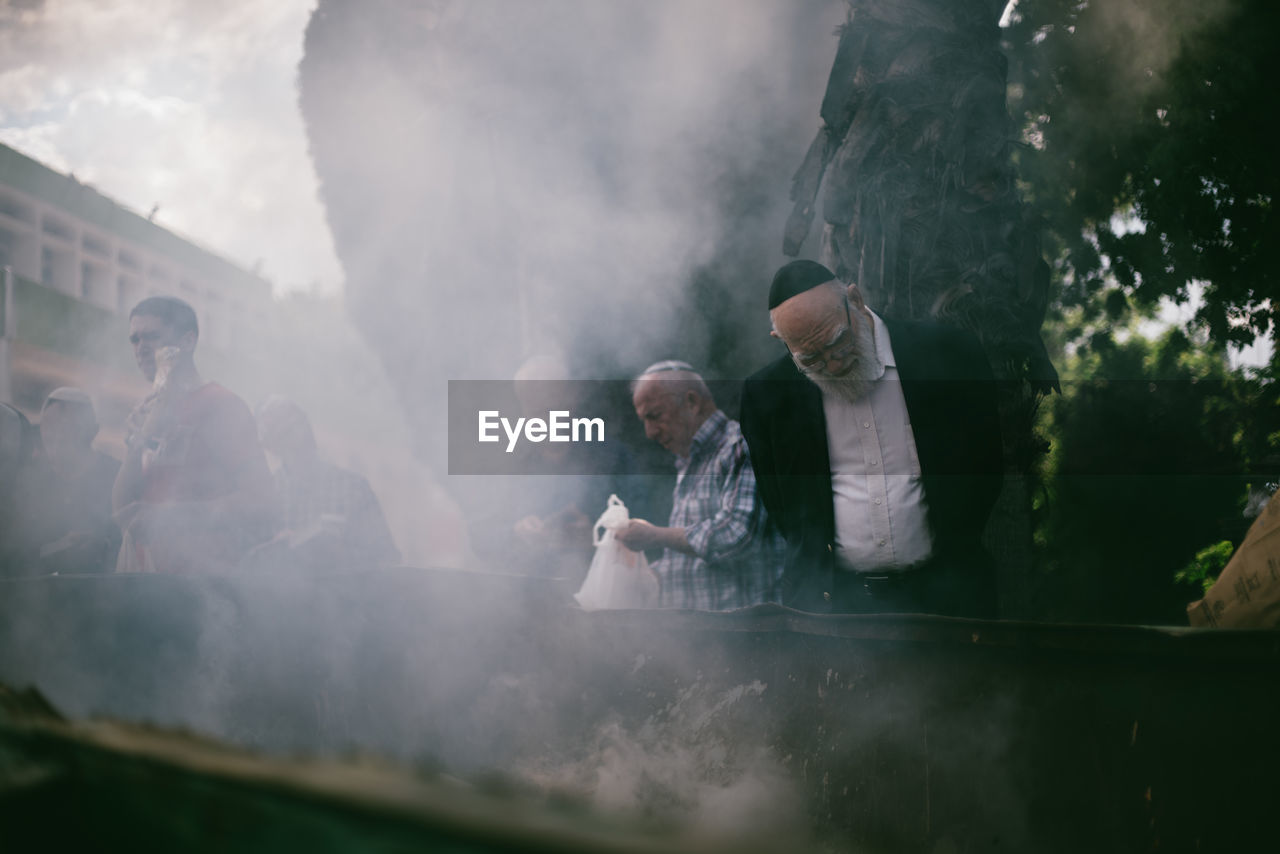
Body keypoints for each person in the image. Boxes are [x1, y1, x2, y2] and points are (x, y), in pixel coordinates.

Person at [739, 260, 1002, 617]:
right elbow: (785, 509)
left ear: (856, 300)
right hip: (832, 606)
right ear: (782, 342)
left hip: (947, 595)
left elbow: (985, 467)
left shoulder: (949, 354)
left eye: (838, 342)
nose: (832, 366)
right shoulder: (765, 396)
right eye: (810, 359)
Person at [112, 296, 276, 574]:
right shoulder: (147, 412)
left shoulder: (220, 405)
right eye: (135, 340)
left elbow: (261, 500)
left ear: (187, 342)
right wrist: (137, 443)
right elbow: (121, 512)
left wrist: (172, 516)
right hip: (149, 585)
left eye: (152, 337)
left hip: (207, 587)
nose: (140, 348)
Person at [615, 360, 784, 610]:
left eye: (655, 416)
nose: (649, 432)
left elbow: (736, 535)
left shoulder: (738, 446)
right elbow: (690, 559)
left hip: (745, 634)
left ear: (692, 403)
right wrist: (644, 575)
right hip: (701, 636)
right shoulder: (687, 461)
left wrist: (655, 535)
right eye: (644, 420)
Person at [253, 395, 400, 571]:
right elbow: (250, 567)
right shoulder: (266, 495)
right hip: (287, 596)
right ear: (271, 446)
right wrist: (278, 549)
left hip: (346, 594)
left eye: (301, 423)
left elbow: (388, 558)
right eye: (286, 431)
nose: (300, 434)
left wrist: (343, 555)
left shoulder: (353, 487)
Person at [33, 388, 120, 574]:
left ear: (90, 432)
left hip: (102, 591)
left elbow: (127, 537)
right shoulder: (32, 480)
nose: (56, 435)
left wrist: (102, 542)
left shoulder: (115, 475)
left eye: (65, 426)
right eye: (48, 426)